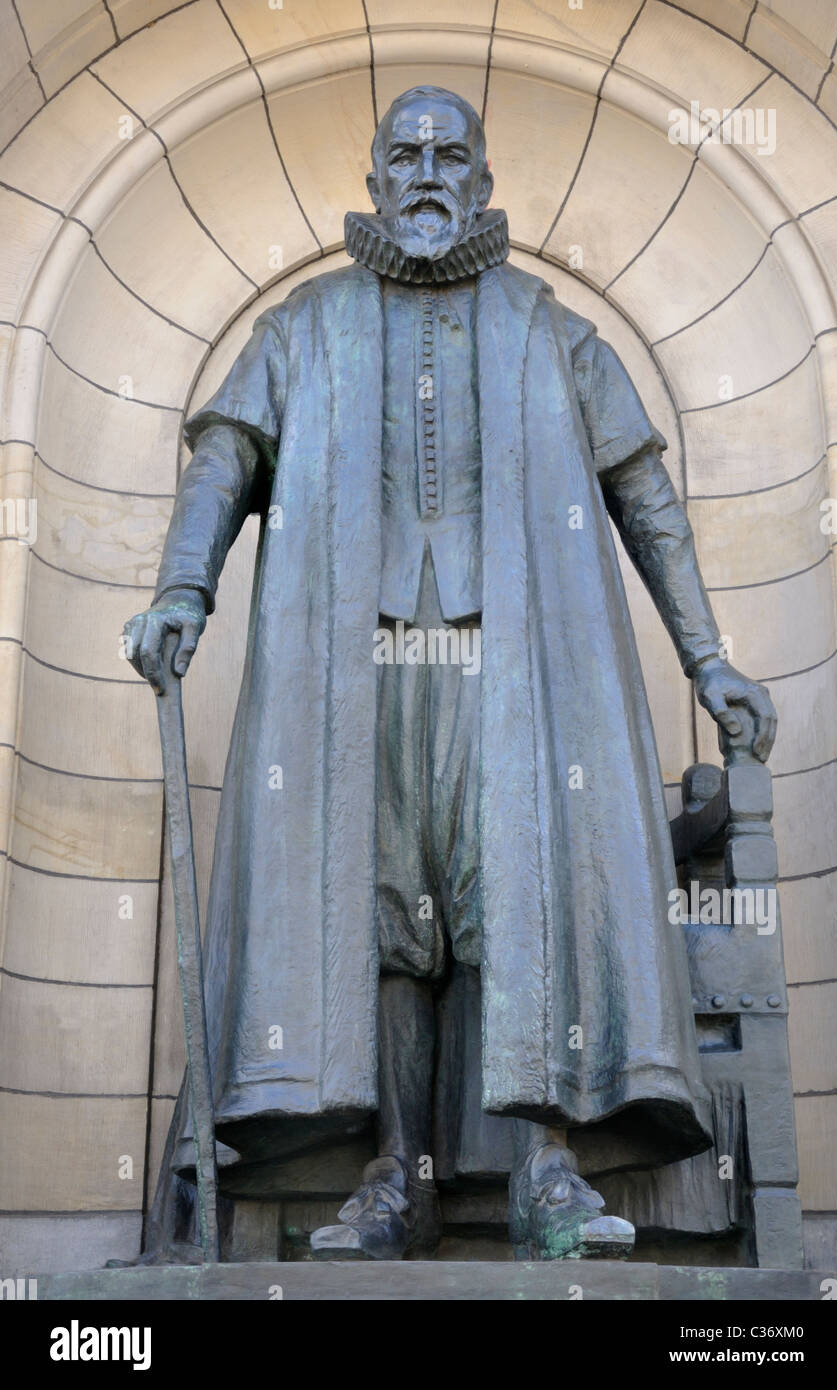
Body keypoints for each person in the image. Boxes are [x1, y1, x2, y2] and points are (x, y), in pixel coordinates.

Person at [125, 86, 776, 1262]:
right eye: (404, 154)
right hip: (349, 670)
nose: (426, 173)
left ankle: (546, 1173)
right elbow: (224, 457)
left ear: (480, 181)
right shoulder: (301, 325)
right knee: (371, 910)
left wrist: (708, 658)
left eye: (450, 155)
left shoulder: (550, 328)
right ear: (375, 180)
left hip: (516, 670)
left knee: (517, 893)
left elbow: (646, 498)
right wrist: (184, 588)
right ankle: (387, 1178)